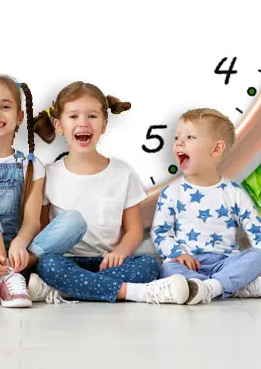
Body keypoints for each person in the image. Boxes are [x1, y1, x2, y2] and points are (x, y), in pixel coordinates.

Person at [32, 81, 189, 304]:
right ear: (58, 125)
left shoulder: (123, 173)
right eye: (73, 116)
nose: (83, 123)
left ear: (104, 124)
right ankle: (133, 293)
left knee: (149, 265)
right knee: (47, 264)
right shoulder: (49, 174)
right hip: (66, 261)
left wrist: (120, 253)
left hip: (109, 261)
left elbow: (134, 231)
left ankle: (68, 289)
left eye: (92, 116)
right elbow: (44, 230)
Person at [0, 75, 88, 308]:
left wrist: (21, 243)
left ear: (20, 116)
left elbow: (32, 221)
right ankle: (5, 275)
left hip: (20, 254)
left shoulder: (31, 165)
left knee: (75, 220)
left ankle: (2, 275)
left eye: (5, 107)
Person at [152, 108, 261, 304]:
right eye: (177, 137)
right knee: (167, 269)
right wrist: (178, 253)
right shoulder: (172, 192)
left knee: (258, 257)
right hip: (189, 263)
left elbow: (256, 230)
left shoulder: (232, 192)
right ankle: (231, 288)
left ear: (216, 149)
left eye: (190, 137)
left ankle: (207, 288)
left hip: (226, 262)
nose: (179, 142)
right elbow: (161, 233)